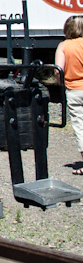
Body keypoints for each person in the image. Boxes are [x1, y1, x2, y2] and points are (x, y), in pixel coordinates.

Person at [56, 15, 83, 175]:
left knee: (80, 126)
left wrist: (62, 86)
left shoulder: (64, 46)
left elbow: (58, 70)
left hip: (74, 90)